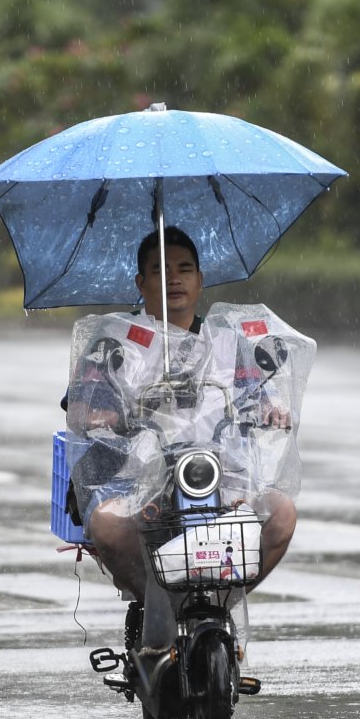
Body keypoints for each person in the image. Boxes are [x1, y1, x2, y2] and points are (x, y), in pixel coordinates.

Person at [66, 226, 298, 603]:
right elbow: (80, 407)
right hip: (137, 480)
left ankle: (223, 605)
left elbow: (261, 395)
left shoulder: (228, 343)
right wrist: (102, 417)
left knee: (282, 514)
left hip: (221, 478)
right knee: (107, 525)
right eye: (160, 270)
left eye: (185, 268)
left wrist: (273, 410)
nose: (174, 278)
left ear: (200, 280)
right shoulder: (116, 340)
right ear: (141, 282)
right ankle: (158, 608)